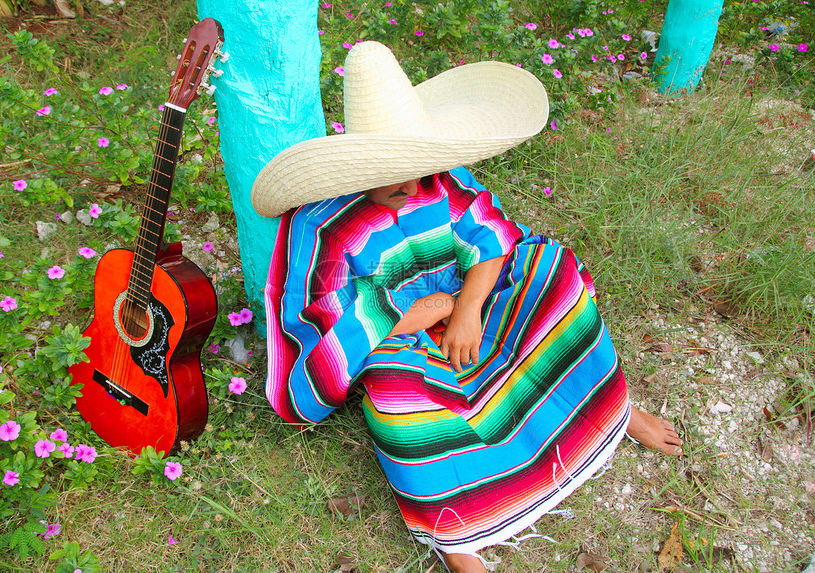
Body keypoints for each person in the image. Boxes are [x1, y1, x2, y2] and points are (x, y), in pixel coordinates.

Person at [250, 41, 682, 573]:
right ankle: (457, 535)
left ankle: (609, 416)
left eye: (416, 164)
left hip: (467, 308)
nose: (411, 183)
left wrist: (468, 309)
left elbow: (493, 241)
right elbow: (327, 325)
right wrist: (423, 313)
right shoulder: (322, 226)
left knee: (555, 273)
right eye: (392, 170)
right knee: (392, 395)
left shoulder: (441, 178)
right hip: (398, 340)